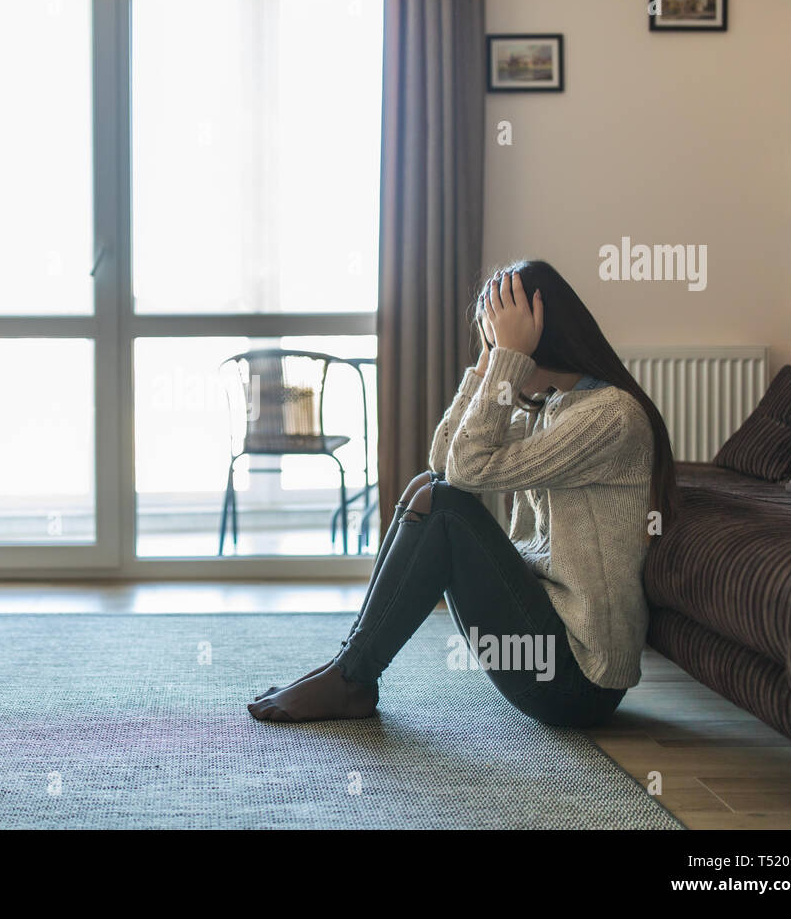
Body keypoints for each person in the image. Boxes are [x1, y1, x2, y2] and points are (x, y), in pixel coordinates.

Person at [247, 260, 677, 727]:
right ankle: (349, 670)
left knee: (445, 508)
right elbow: (443, 460)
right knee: (427, 489)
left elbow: (466, 470)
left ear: (541, 335)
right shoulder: (553, 404)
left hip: (577, 681)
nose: (496, 352)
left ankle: (351, 679)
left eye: (502, 340)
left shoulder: (609, 416)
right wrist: (490, 366)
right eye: (492, 342)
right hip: (543, 645)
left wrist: (509, 363)